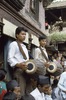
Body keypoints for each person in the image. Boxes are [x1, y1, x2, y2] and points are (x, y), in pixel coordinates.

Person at [7, 27, 29, 96]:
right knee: (20, 93)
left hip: (26, 71)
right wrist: (18, 64)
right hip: (19, 71)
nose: (24, 36)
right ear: (17, 35)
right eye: (22, 34)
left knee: (26, 91)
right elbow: (9, 58)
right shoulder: (13, 44)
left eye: (25, 34)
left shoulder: (24, 46)